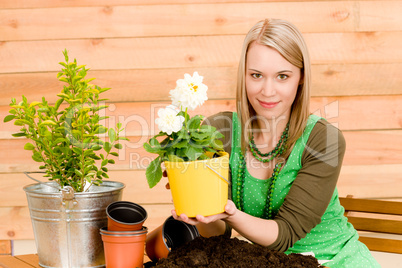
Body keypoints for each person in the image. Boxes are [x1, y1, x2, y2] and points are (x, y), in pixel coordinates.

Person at [167, 18, 380, 267]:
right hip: (266, 261)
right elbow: (217, 233)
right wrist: (198, 204)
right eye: (256, 75)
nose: (268, 91)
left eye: (282, 76)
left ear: (300, 78)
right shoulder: (219, 131)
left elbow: (286, 234)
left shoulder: (324, 140)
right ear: (243, 75)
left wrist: (231, 215)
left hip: (333, 259)